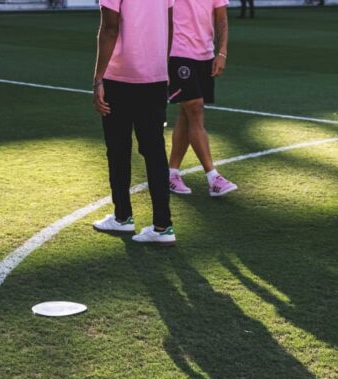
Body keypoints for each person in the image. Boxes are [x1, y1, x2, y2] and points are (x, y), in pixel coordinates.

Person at [91, 0, 177, 246]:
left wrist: (98, 79)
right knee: (154, 150)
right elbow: (169, 24)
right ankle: (163, 225)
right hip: (156, 75)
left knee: (118, 149)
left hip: (120, 76)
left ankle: (122, 217)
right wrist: (163, 66)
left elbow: (109, 28)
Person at [167, 0, 238, 198]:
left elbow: (221, 18)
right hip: (178, 53)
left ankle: (171, 173)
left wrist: (222, 52)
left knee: (187, 113)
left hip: (205, 55)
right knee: (195, 108)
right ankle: (213, 177)